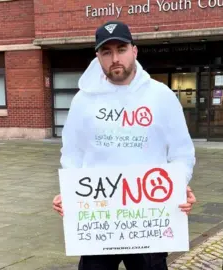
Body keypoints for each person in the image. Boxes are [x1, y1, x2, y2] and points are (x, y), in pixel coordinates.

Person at [52, 20, 197, 270]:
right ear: (98, 56)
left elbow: (182, 152)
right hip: (100, 221)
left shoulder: (161, 96)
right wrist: (71, 193)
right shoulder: (83, 101)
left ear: (134, 51)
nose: (114, 58)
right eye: (106, 52)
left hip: (148, 221)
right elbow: (72, 153)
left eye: (121, 49)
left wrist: (178, 186)